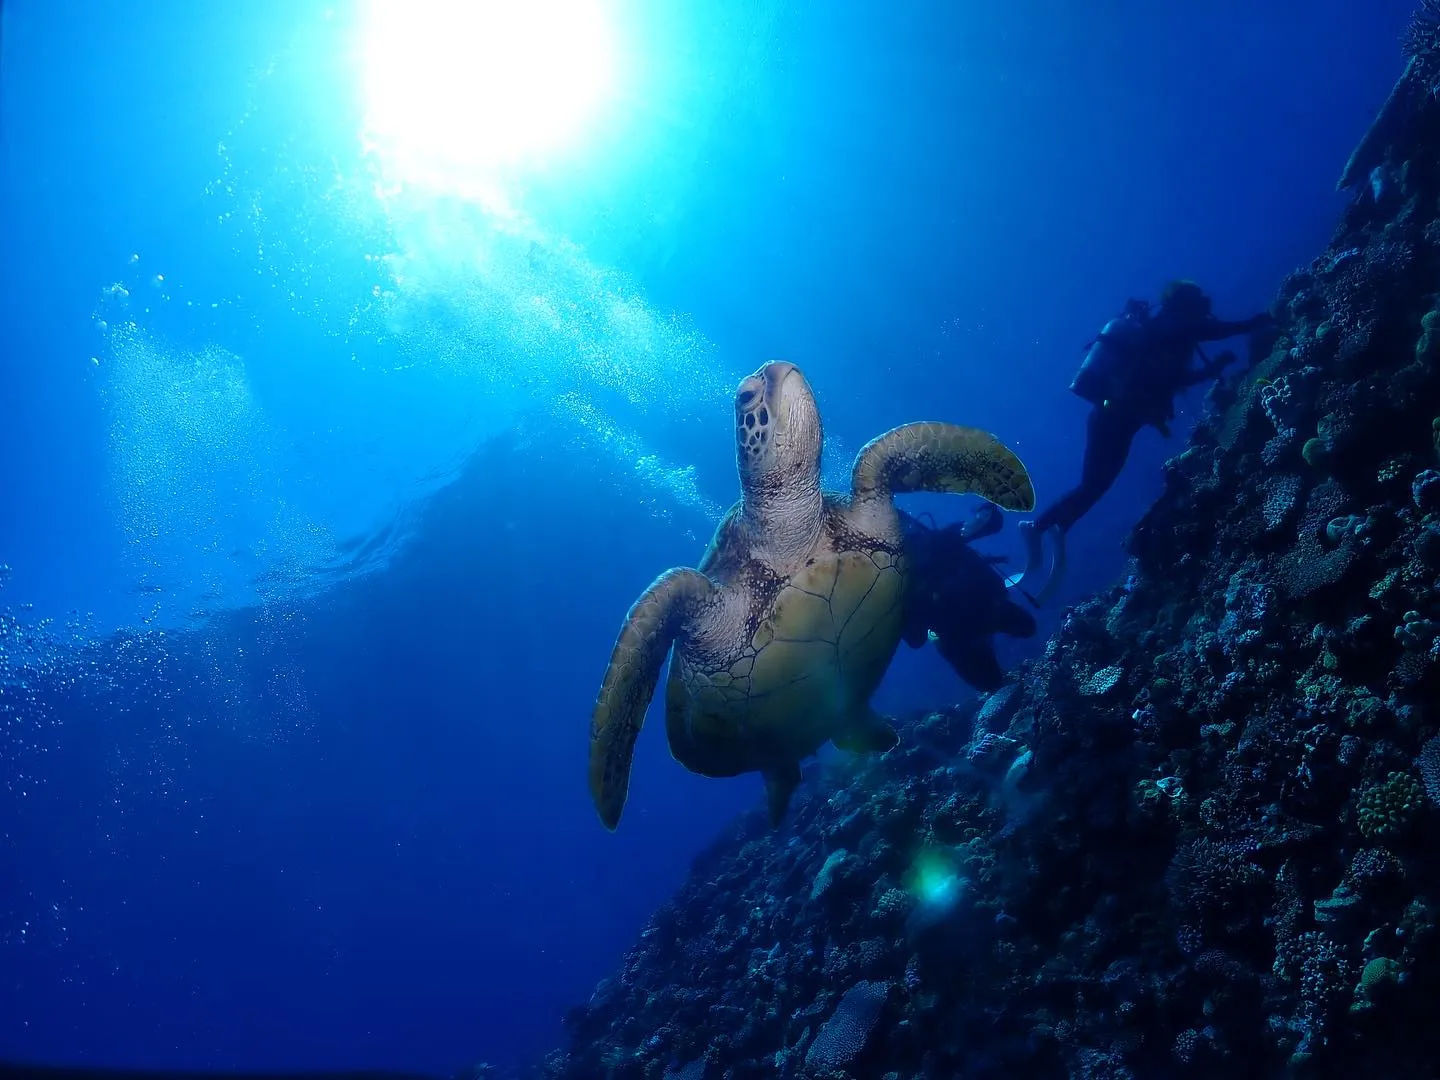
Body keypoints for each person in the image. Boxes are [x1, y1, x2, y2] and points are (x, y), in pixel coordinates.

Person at [1015, 280, 1273, 602]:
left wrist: (1214, 369)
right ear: (1184, 303)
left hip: (1120, 422)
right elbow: (1212, 331)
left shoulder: (1169, 334)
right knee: (1093, 485)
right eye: (1199, 300)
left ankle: (1051, 529)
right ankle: (1039, 528)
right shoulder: (1171, 325)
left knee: (1095, 486)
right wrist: (1252, 323)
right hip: (1111, 420)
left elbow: (1173, 380)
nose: (1206, 304)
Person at [898, 503, 1038, 692]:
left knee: (1028, 627)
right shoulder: (903, 586)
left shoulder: (943, 540)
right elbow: (915, 639)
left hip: (987, 609)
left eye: (909, 529)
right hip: (956, 637)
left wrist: (983, 514)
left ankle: (986, 644)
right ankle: (981, 649)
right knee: (990, 683)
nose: (911, 538)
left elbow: (993, 523)